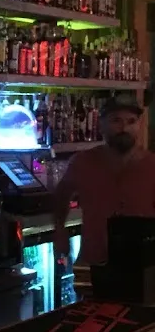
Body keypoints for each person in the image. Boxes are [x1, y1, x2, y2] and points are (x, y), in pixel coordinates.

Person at [53, 98, 155, 266]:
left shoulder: (151, 165)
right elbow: (61, 196)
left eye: (131, 121)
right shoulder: (83, 162)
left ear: (139, 125)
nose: (124, 128)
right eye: (116, 120)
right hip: (94, 261)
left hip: (143, 264)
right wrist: (59, 230)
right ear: (101, 125)